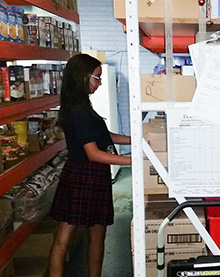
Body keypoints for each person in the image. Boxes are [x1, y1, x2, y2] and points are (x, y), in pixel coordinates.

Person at [48, 53, 132, 277]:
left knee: (97, 235)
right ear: (82, 77)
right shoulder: (78, 111)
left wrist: (136, 140)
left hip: (93, 177)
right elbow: (93, 153)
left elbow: (104, 136)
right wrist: (134, 161)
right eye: (97, 78)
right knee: (64, 238)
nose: (99, 83)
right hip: (82, 176)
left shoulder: (83, 106)